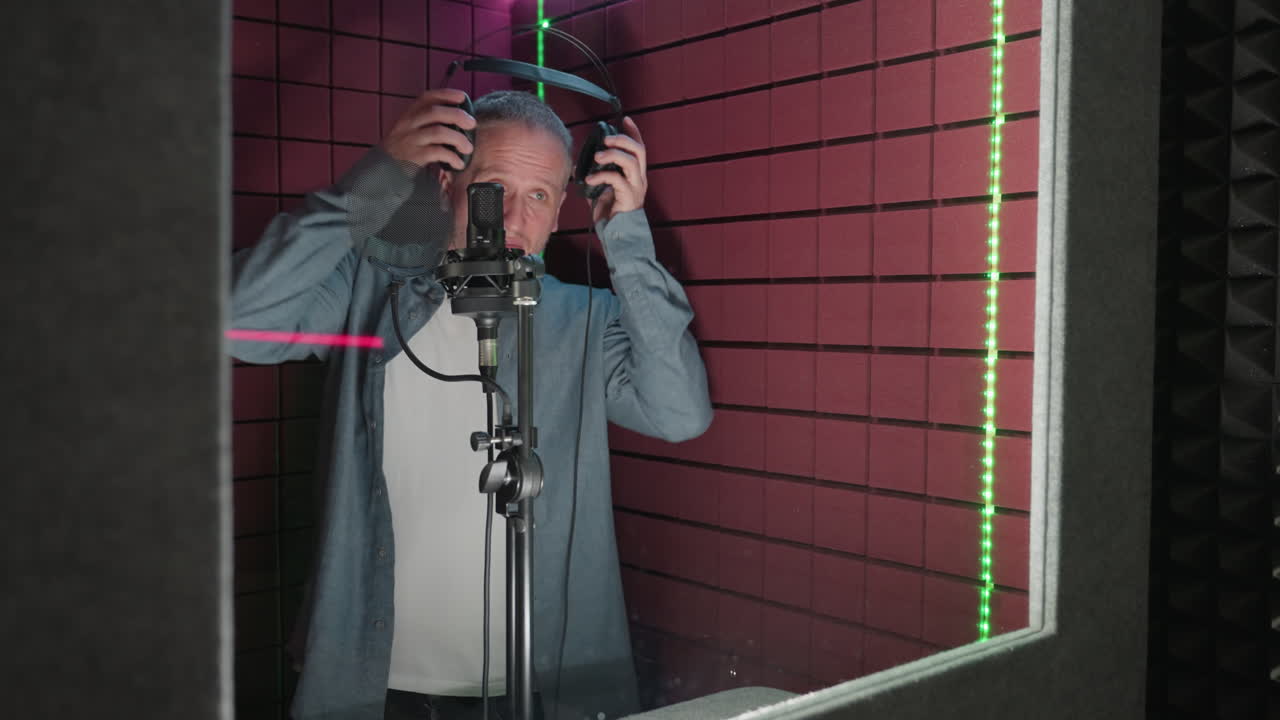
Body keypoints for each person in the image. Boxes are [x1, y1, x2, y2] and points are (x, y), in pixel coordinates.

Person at [229, 88, 712, 720]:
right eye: (494, 189)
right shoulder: (371, 295)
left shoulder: (583, 322)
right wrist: (373, 184)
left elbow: (680, 414)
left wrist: (627, 235)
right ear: (445, 185)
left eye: (538, 196)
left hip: (540, 689)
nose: (512, 219)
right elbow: (237, 320)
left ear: (562, 205)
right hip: (373, 684)